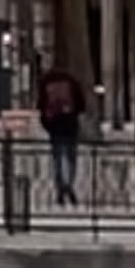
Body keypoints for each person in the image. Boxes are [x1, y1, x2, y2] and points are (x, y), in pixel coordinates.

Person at [36, 59, 85, 208]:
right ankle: (69, 184)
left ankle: (60, 188)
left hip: (55, 124)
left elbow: (41, 105)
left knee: (58, 157)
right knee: (71, 156)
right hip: (70, 123)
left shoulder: (46, 82)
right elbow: (81, 103)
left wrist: (47, 123)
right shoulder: (71, 81)